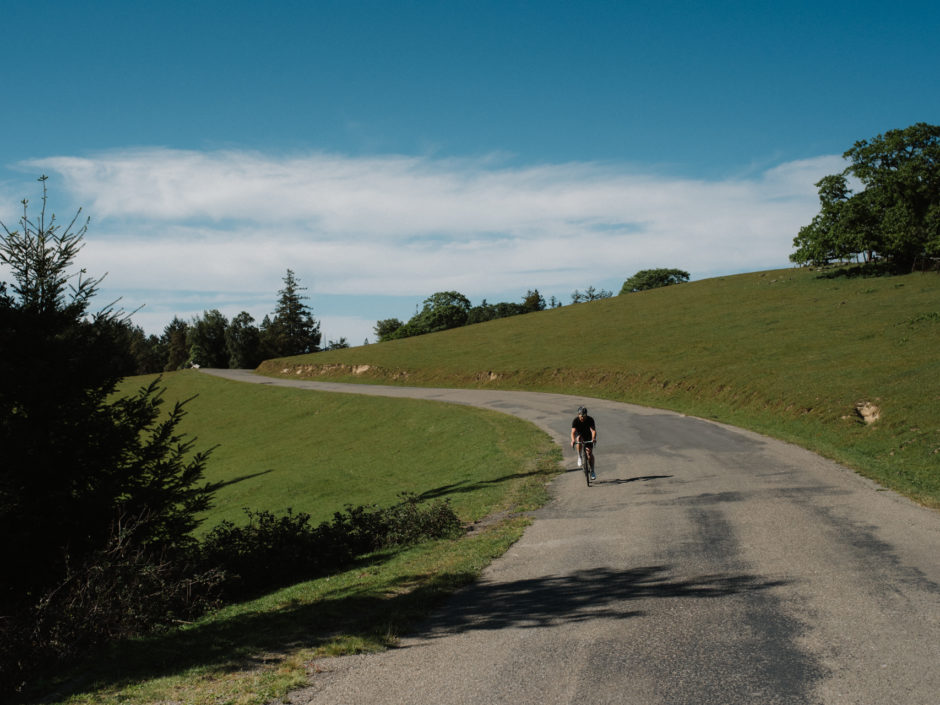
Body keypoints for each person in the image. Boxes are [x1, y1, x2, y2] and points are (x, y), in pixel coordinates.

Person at [570, 406, 597, 480]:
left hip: (588, 435)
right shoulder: (575, 420)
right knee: (578, 439)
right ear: (578, 414)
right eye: (581, 416)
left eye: (584, 416)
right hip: (579, 435)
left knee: (589, 453)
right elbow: (573, 432)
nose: (582, 418)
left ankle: (592, 471)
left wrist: (593, 438)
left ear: (586, 415)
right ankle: (579, 456)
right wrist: (572, 440)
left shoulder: (590, 419)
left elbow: (593, 431)